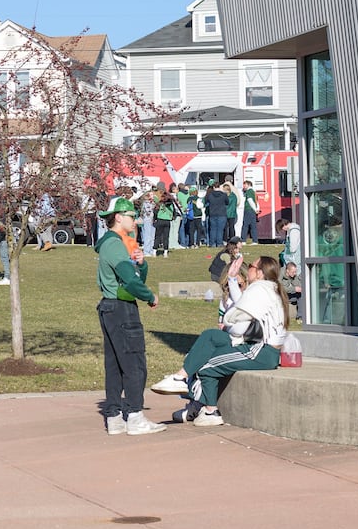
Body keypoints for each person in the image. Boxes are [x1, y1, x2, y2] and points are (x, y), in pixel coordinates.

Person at [152, 256, 290, 427]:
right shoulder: (266, 288)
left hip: (261, 351)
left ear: (260, 273)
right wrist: (232, 279)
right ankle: (181, 380)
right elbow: (243, 305)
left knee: (206, 365)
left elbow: (240, 324)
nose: (249, 270)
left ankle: (210, 411)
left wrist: (227, 324)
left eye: (252, 266)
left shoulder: (260, 289)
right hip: (258, 347)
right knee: (210, 336)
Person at [95, 196, 163, 436]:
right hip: (121, 308)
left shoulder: (118, 243)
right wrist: (150, 296)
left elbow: (134, 275)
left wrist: (142, 265)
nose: (135, 220)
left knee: (114, 364)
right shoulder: (114, 244)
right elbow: (129, 279)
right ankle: (134, 415)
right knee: (134, 363)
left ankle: (114, 416)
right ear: (118, 217)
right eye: (131, 216)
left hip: (112, 307)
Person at [205, 182, 230, 248]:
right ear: (219, 187)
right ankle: (219, 243)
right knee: (220, 230)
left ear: (213, 187)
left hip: (212, 214)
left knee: (213, 229)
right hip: (222, 213)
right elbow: (227, 202)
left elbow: (206, 201)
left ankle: (212, 243)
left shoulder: (209, 195)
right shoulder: (224, 195)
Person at [153, 189, 177, 257]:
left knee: (157, 236)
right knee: (166, 237)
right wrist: (172, 217)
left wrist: (155, 219)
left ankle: (154, 251)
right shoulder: (171, 204)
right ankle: (165, 252)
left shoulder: (160, 203)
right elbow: (174, 212)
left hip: (160, 220)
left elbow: (155, 211)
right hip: (167, 221)